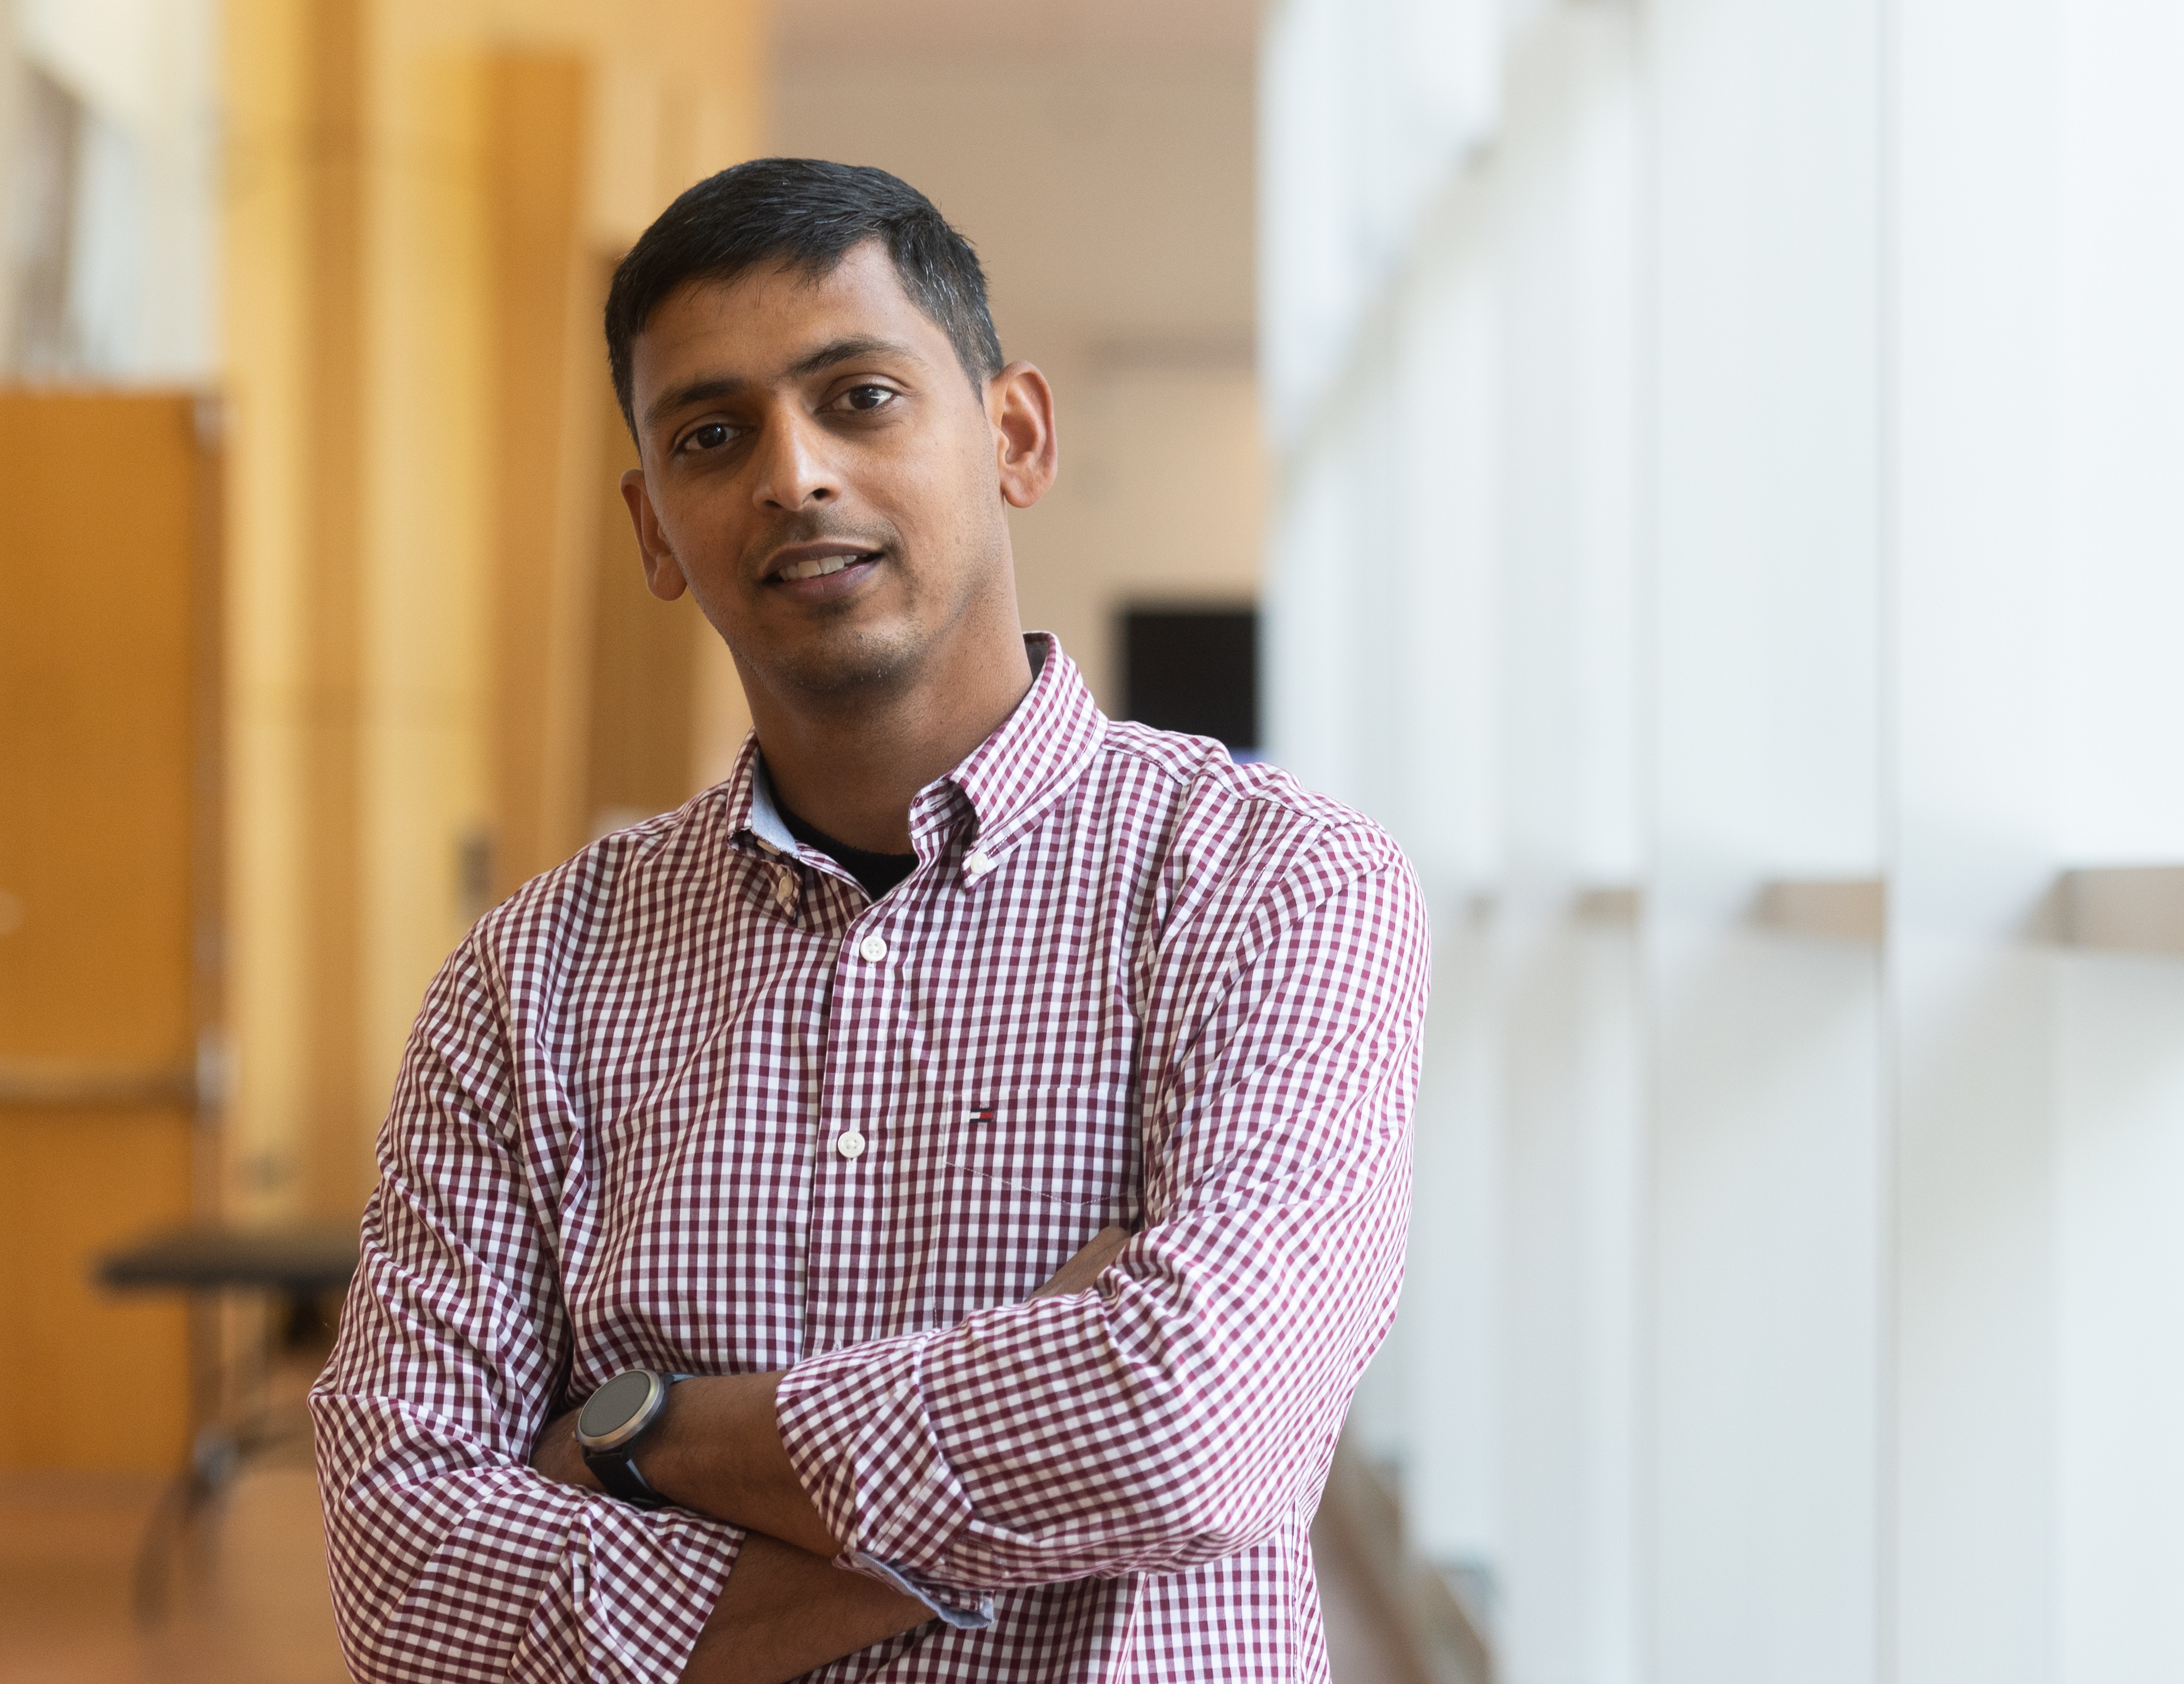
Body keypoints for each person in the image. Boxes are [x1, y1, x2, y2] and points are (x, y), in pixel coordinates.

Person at [309, 158, 1423, 1684]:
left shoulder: (1275, 884)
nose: (793, 474)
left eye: (861, 398)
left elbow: (1186, 1421)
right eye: (714, 434)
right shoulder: (529, 981)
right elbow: (405, 1568)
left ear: (1015, 434)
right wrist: (1034, 1443)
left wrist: (649, 1436)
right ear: (654, 531)